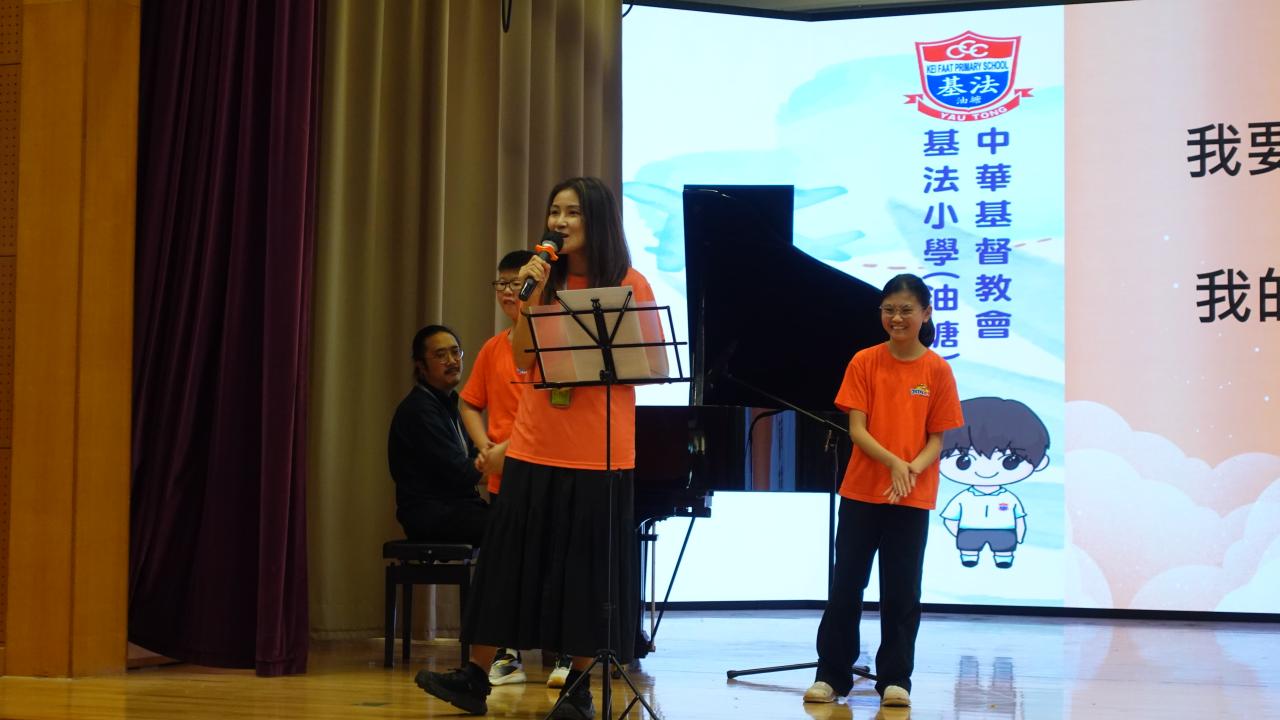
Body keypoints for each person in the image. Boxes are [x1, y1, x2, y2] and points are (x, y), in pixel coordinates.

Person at [415, 177, 654, 719]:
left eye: (572, 213)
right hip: (534, 446)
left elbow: (641, 363)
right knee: (505, 564)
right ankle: (474, 676)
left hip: (598, 452)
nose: (559, 222)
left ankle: (579, 691)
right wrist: (532, 296)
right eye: (554, 212)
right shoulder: (544, 279)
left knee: (585, 574)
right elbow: (524, 359)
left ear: (597, 219)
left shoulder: (628, 282)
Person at [804, 274, 964, 709]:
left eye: (906, 310)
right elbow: (857, 430)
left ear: (926, 313)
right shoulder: (865, 361)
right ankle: (831, 675)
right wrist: (895, 463)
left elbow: (937, 438)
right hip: (862, 491)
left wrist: (910, 470)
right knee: (846, 585)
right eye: (889, 309)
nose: (897, 317)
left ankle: (895, 680)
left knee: (902, 592)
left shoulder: (937, 369)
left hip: (911, 494)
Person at [458, 249, 572, 689]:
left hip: (545, 466)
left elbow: (555, 410)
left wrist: (507, 449)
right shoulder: (493, 348)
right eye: (502, 284)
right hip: (503, 475)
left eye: (516, 282)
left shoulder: (555, 342)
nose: (508, 292)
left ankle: (564, 654)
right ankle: (505, 656)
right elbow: (469, 402)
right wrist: (484, 446)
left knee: (555, 565)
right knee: (507, 570)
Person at [387, 325, 488, 546]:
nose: (452, 361)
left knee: (521, 519)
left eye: (455, 352)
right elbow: (459, 470)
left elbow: (473, 456)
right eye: (441, 355)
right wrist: (506, 470)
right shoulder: (419, 410)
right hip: (432, 514)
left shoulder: (447, 403)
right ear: (421, 366)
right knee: (516, 527)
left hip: (457, 508)